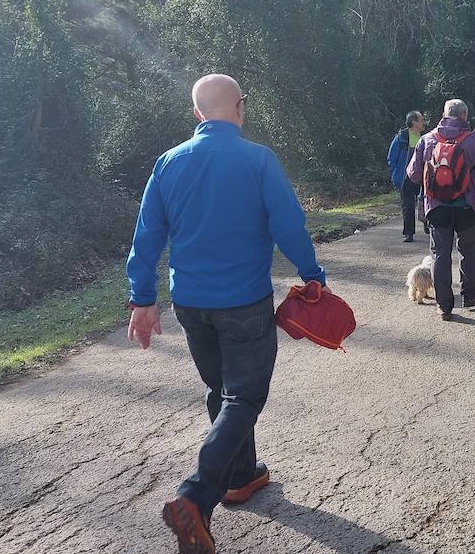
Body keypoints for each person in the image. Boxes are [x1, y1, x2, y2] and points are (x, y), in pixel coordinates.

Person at [125, 74, 328, 554]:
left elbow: (147, 235)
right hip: (243, 301)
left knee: (222, 389)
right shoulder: (258, 160)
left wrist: (142, 298)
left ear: (198, 114)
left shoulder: (168, 163)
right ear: (239, 107)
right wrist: (312, 272)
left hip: (191, 305)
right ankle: (195, 497)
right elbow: (287, 224)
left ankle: (240, 476)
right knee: (244, 396)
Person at [407, 99, 475, 320]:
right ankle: (470, 295)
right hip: (466, 206)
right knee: (467, 250)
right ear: (465, 117)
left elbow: (414, 174)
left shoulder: (427, 140)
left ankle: (444, 305)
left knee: (440, 254)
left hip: (436, 207)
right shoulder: (472, 141)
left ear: (443, 114)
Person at [388, 111, 426, 243]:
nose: (423, 122)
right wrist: (396, 175)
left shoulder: (426, 137)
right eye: (421, 120)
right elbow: (392, 158)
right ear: (414, 122)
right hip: (406, 177)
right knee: (408, 205)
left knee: (426, 202)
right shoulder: (401, 137)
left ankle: (428, 224)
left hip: (422, 176)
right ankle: (409, 233)